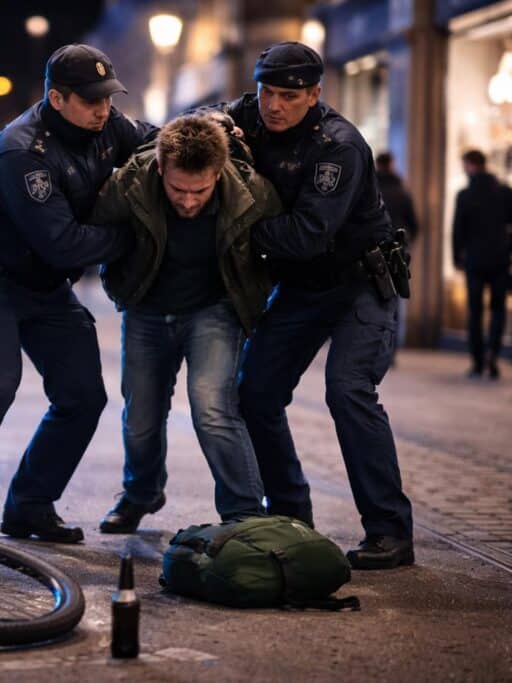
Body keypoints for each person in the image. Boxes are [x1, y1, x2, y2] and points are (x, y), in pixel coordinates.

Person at [0, 44, 157, 542]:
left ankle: (30, 507)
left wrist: (216, 125)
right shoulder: (23, 152)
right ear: (57, 99)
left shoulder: (107, 126)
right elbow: (64, 245)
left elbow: (153, 141)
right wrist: (136, 235)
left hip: (42, 284)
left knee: (83, 395)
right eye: (91, 100)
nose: (103, 109)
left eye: (107, 98)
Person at [213, 42, 414, 569]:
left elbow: (305, 235)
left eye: (289, 95)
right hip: (300, 289)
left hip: (359, 285)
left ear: (314, 95)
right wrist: (215, 125)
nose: (274, 106)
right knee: (254, 393)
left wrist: (234, 232)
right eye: (266, 93)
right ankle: (290, 516)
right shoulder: (248, 116)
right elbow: (197, 120)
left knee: (348, 390)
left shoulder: (338, 145)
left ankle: (390, 530)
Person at [89, 115, 279, 533]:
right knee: (140, 414)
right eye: (178, 189)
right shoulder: (130, 183)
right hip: (146, 310)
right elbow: (98, 229)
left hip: (214, 310)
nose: (189, 201)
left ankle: (245, 512)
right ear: (160, 168)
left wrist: (254, 298)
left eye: (200, 190)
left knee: (212, 407)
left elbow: (276, 246)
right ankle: (141, 494)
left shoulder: (250, 190)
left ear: (219, 172)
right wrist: (118, 282)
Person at [452, 149, 511, 380]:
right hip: (500, 259)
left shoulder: (465, 195)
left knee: (475, 312)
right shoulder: (505, 192)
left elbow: (458, 230)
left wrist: (457, 258)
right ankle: (493, 356)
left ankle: (477, 361)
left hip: (474, 261)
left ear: (470, 165)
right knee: (498, 310)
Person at [375, 152, 418, 363]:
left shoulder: (370, 188)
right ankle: (389, 352)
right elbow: (413, 225)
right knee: (393, 301)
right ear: (391, 165)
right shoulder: (402, 192)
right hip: (395, 254)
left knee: (366, 300)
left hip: (369, 254)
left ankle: (371, 348)